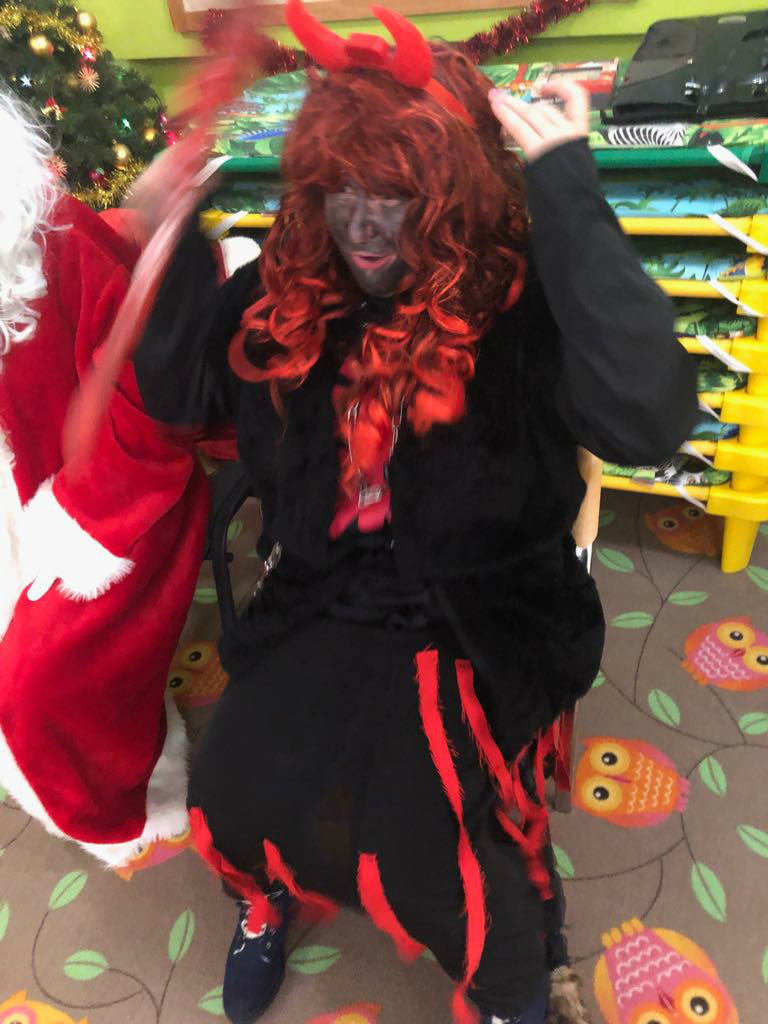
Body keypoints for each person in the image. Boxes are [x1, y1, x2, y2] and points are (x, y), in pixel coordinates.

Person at [132, 3, 698, 1021]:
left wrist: (568, 192)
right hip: (318, 596)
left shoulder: (520, 301)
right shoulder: (285, 286)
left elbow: (648, 418)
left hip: (481, 613)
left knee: (438, 847)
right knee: (235, 784)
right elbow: (176, 395)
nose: (361, 223)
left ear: (450, 190)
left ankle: (518, 983)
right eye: (340, 189)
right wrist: (171, 236)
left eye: (393, 194)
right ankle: (266, 898)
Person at [0, 87, 214, 870]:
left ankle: (126, 797)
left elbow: (150, 408)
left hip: (106, 502)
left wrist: (82, 522)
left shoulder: (55, 246)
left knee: (36, 678)